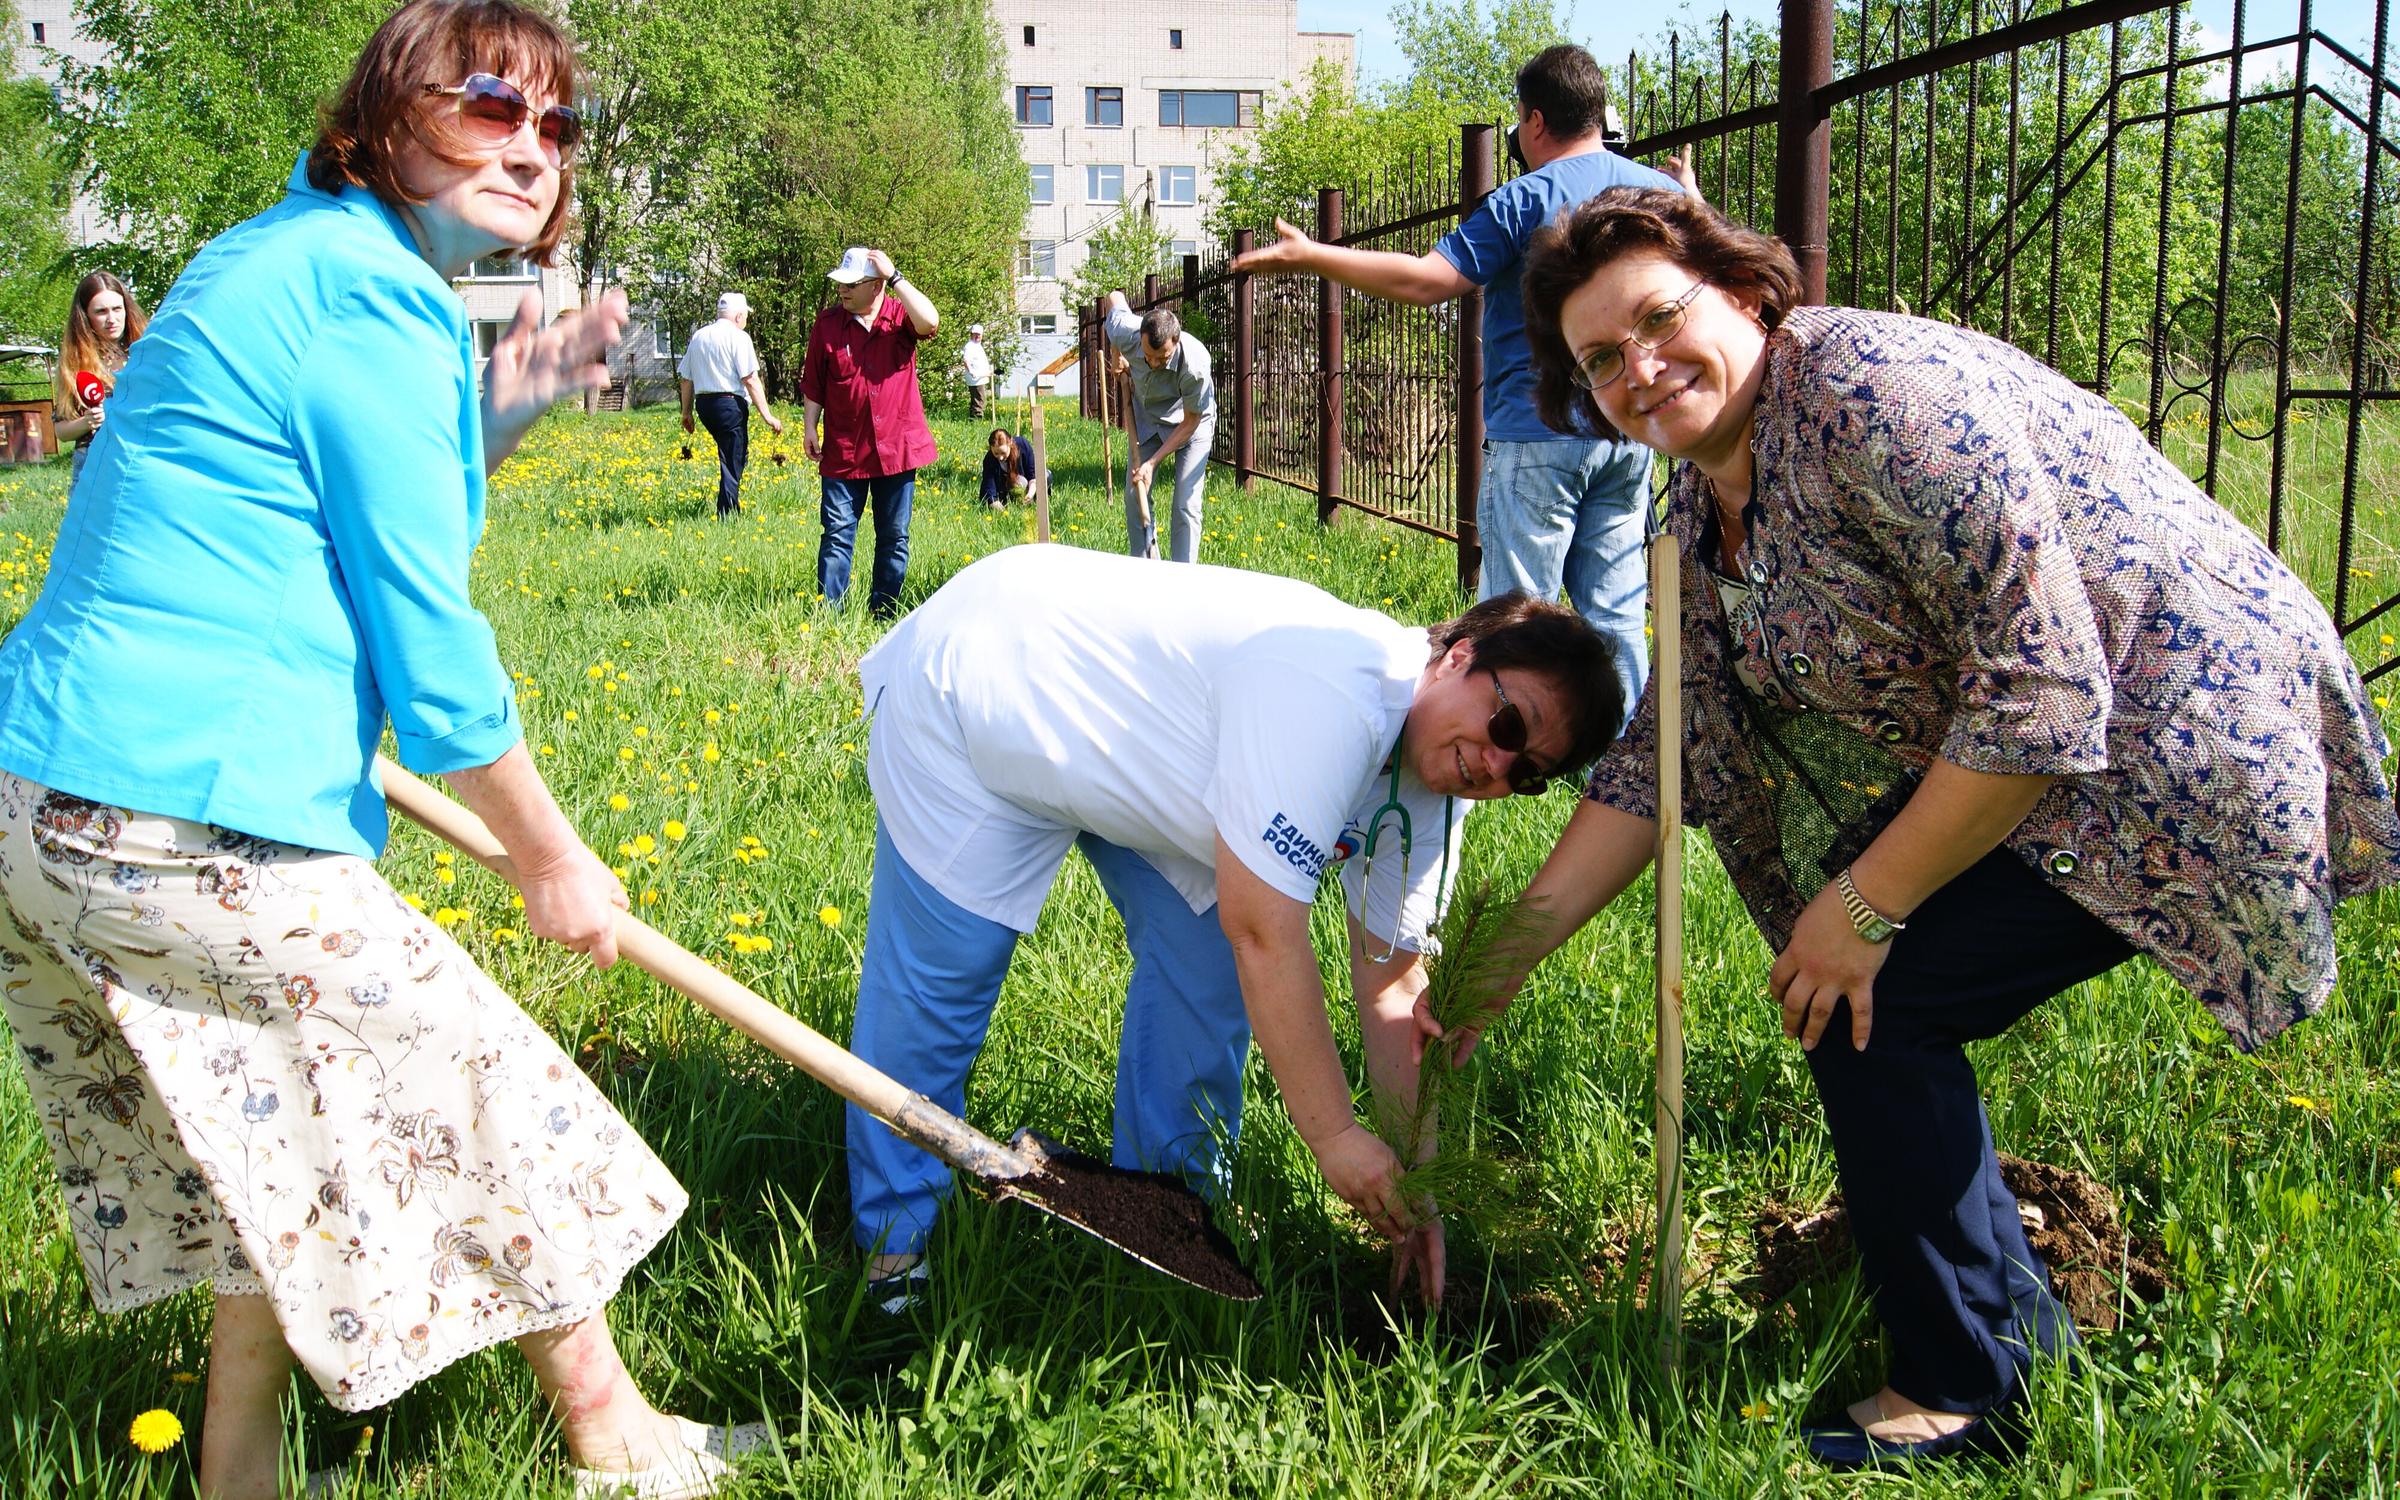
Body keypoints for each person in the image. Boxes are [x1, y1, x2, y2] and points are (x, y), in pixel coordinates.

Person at [1470, 186, 2400, 1469]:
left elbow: (2048, 685)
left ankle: (1975, 1388)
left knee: (1872, 992)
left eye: (1660, 319)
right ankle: (2006, 1344)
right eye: (1601, 359)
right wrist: (1494, 966)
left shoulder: (1872, 396)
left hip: (2175, 745)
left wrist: (1861, 908)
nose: (1641, 368)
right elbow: (1664, 760)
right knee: (1853, 995)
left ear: (1741, 293)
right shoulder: (1698, 513)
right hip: (2054, 755)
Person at [0, 5, 770, 1496]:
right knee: (491, 1092)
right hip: (181, 820)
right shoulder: (373, 301)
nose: (531, 149)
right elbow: (430, 647)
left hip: (51, 796)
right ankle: (615, 1439)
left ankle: (236, 1467)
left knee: (270, 1128)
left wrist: (506, 413)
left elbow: (334, 500)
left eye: (556, 128)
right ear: (390, 110)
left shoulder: (278, 254)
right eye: (491, 106)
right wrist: (552, 857)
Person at [842, 544, 1626, 1312]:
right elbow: (1266, 933)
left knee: (1205, 970)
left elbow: (1390, 983)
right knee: (939, 991)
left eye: (1528, 775)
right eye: (1510, 725)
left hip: (1144, 755)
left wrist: (1415, 1193)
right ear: (1459, 655)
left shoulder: (1429, 791)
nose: (1498, 764)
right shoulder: (1333, 695)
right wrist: (1335, 1138)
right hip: (989, 685)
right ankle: (894, 1254)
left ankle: (1167, 1219)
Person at [1232, 44, 1682, 723]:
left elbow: (1426, 281)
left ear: (1533, 122)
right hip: (1628, 430)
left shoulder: (1526, 199)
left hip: (1537, 434)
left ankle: (1512, 742)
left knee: (1518, 616)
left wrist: (1310, 253)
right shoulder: (1655, 192)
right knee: (1616, 614)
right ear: (1597, 111)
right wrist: (1689, 195)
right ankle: (1627, 768)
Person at [802, 245, 939, 618]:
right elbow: (814, 381)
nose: (842, 291)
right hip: (844, 451)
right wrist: (810, 426)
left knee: (894, 539)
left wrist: (896, 277)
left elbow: (930, 321)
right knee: (836, 536)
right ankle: (830, 617)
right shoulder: (827, 324)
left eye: (852, 284)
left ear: (876, 286)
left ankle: (884, 614)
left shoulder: (899, 317)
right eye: (841, 284)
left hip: (897, 450)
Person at [1102, 290, 1215, 562]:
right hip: (1149, 419)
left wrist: (1152, 463)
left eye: (1161, 358)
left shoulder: (1195, 365)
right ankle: (1144, 566)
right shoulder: (1128, 331)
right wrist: (1117, 355)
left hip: (1190, 425)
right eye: (1147, 355)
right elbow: (1114, 298)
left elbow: (1191, 421)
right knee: (1134, 493)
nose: (1152, 363)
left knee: (1186, 503)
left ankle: (1181, 575)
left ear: (1175, 341)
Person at [678, 290, 783, 519]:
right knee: (733, 456)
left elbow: (686, 378)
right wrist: (768, 416)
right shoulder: (739, 337)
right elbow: (750, 379)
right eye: (745, 315)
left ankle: (730, 505)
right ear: (738, 316)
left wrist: (686, 413)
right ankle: (726, 513)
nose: (746, 320)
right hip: (729, 404)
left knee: (732, 453)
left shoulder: (699, 336)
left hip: (704, 405)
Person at [51, 271, 149, 493]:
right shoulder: (75, 363)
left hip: (141, 458)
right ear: (85, 317)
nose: (111, 319)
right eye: (101, 312)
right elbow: (61, 430)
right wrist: (87, 422)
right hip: (94, 464)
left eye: (117, 309)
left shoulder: (145, 351)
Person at [978, 425, 1034, 510]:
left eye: (1003, 453)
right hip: (1002, 489)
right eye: (996, 453)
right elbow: (990, 488)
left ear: (1010, 443)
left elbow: (1033, 475)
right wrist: (1002, 511)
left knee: (1046, 476)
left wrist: (1030, 495)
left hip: (1026, 485)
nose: (1000, 457)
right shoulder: (989, 460)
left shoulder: (1023, 446)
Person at [960, 322, 993, 418]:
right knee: (980, 399)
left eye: (979, 334)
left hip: (980, 377)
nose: (977, 336)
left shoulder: (977, 345)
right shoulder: (970, 346)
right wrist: (971, 371)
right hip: (975, 378)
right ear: (971, 334)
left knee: (977, 399)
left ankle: (973, 418)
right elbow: (966, 360)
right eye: (975, 334)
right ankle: (977, 419)